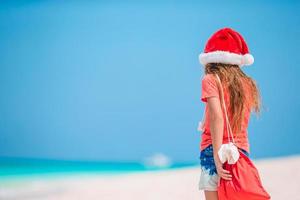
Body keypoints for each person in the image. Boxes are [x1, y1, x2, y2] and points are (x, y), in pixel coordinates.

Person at [197, 27, 261, 200]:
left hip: (213, 147)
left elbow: (217, 117)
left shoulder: (210, 79)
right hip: (239, 149)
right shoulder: (247, 83)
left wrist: (218, 156)